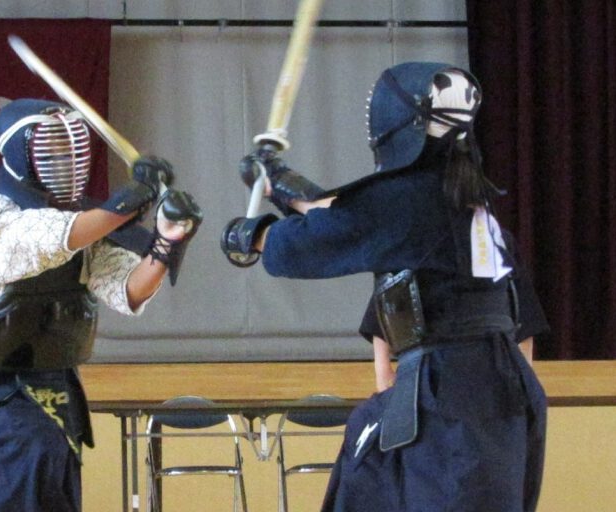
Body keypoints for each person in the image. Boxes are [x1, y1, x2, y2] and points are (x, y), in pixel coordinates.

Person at [221, 62, 548, 511]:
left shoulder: (404, 202)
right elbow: (350, 217)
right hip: (502, 396)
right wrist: (278, 181)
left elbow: (310, 242)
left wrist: (250, 234)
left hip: (447, 399)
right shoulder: (471, 205)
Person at [0, 98, 202, 512]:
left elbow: (127, 288)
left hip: (57, 385)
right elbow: (56, 237)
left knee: (56, 479)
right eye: (54, 152)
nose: (66, 161)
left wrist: (167, 241)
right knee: (28, 461)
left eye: (71, 151)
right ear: (21, 156)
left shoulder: (87, 225)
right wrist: (132, 199)